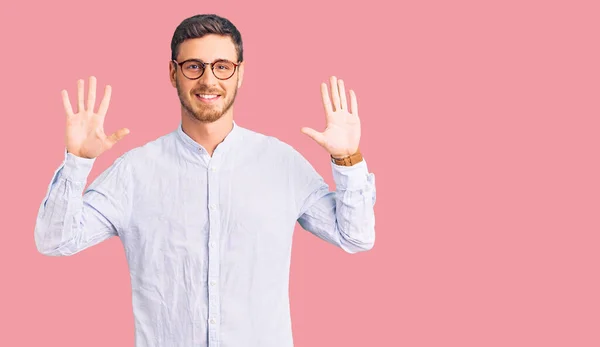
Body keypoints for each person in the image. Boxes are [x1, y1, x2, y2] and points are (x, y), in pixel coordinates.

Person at [34, 13, 376, 347]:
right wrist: (77, 161)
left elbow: (355, 237)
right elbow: (55, 240)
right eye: (193, 66)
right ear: (173, 72)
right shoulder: (135, 171)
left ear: (240, 74)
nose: (208, 80)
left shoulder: (282, 164)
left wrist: (348, 159)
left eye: (222, 66)